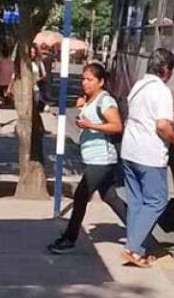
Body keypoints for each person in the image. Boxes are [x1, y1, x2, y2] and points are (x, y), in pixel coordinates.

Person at [120, 48, 174, 267]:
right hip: (148, 155)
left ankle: (138, 251)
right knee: (157, 201)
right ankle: (133, 247)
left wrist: (172, 116)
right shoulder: (161, 90)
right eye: (171, 71)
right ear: (164, 70)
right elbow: (161, 126)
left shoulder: (139, 86)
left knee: (136, 201)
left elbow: (146, 115)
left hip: (129, 151)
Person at [47, 63, 127, 254]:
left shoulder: (105, 101)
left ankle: (69, 238)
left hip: (102, 159)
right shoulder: (89, 100)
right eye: (84, 79)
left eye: (90, 79)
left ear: (101, 82)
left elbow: (117, 126)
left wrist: (91, 125)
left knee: (81, 196)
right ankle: (139, 231)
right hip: (93, 158)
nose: (85, 83)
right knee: (111, 197)